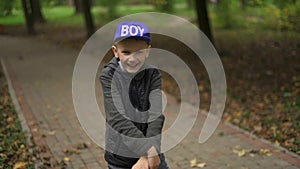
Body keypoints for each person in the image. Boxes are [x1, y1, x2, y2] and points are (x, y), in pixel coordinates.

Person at [100, 22, 169, 169]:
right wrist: (148, 151)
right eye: (126, 52)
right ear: (115, 51)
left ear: (148, 51)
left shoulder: (153, 74)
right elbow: (117, 118)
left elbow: (155, 115)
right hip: (121, 158)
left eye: (139, 52)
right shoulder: (108, 76)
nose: (132, 58)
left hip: (151, 151)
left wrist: (149, 153)